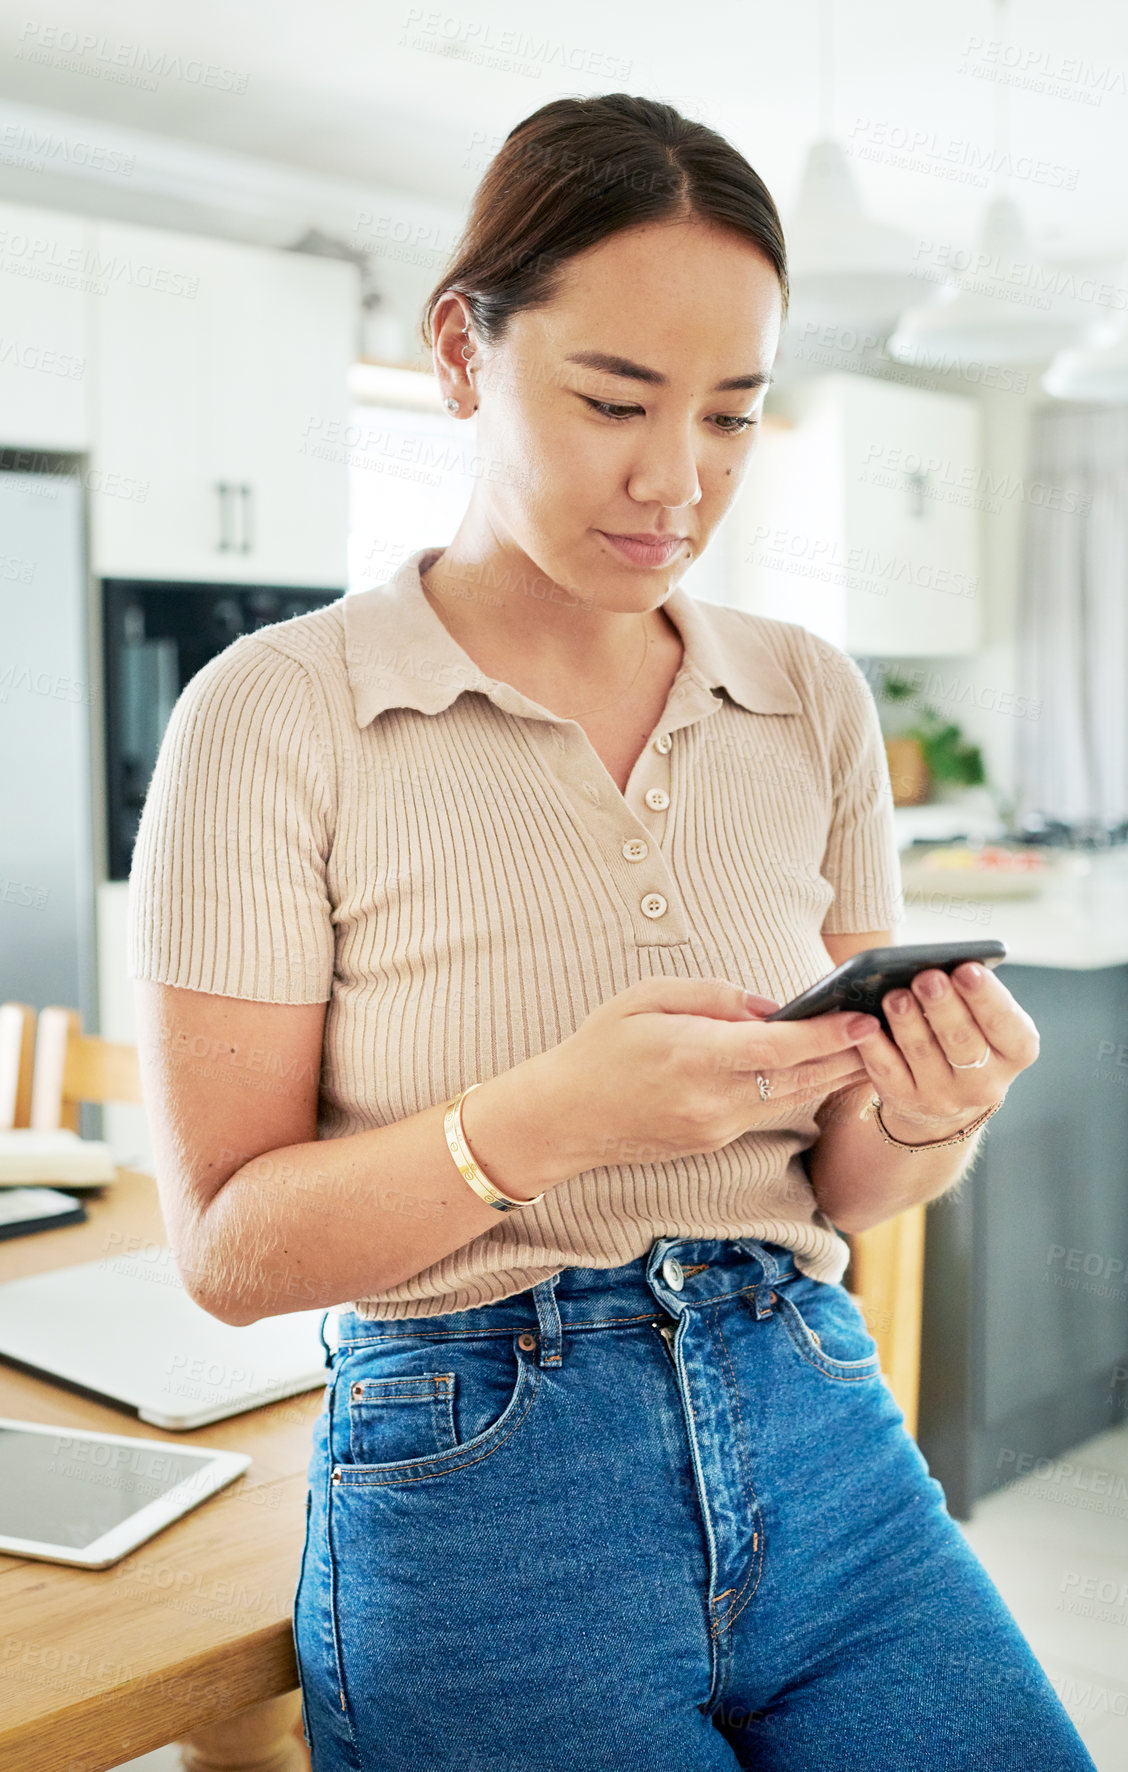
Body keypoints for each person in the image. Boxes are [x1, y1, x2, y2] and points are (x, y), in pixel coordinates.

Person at [128, 93, 1094, 1772]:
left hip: (821, 1426)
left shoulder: (807, 697)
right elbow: (228, 1249)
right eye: (613, 401)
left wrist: (927, 1109)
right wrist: (555, 1120)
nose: (679, 480)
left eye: (734, 416)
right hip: (481, 1480)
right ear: (460, 350)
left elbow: (850, 1183)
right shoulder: (279, 714)